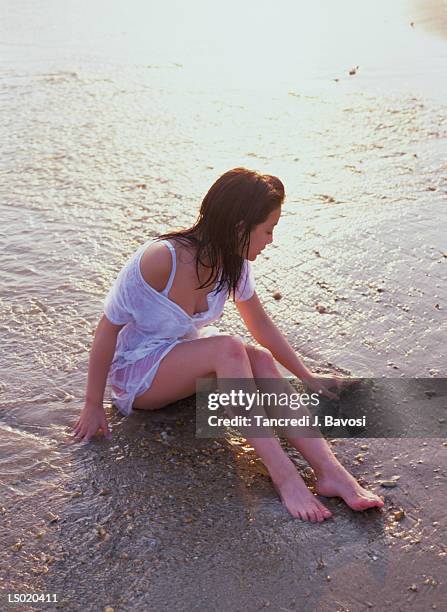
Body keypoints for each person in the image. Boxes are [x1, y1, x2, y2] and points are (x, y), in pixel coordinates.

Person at [72, 167, 384, 522]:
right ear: (240, 227)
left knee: (261, 359)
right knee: (228, 347)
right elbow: (107, 328)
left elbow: (262, 326)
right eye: (268, 230)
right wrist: (92, 404)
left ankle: (331, 473)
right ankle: (286, 479)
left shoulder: (233, 264)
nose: (270, 240)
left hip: (180, 359)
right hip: (136, 375)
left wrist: (308, 377)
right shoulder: (161, 259)